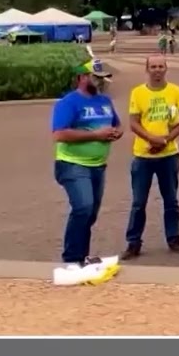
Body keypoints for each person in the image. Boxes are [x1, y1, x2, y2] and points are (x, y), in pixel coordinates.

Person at [50, 59, 123, 264]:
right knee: (83, 207)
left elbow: (117, 124)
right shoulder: (68, 102)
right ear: (82, 78)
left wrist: (116, 132)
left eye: (102, 78)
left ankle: (81, 256)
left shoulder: (105, 101)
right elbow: (59, 134)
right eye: (95, 78)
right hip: (72, 163)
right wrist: (96, 135)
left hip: (98, 165)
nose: (101, 82)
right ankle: (72, 259)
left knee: (90, 213)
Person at [122, 56, 179, 260]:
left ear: (166, 68)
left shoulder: (176, 91)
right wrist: (152, 139)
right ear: (147, 69)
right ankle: (133, 242)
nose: (157, 70)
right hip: (143, 154)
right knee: (138, 202)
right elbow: (134, 123)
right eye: (153, 67)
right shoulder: (138, 92)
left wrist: (165, 140)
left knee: (171, 200)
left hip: (168, 154)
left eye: (160, 66)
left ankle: (173, 238)